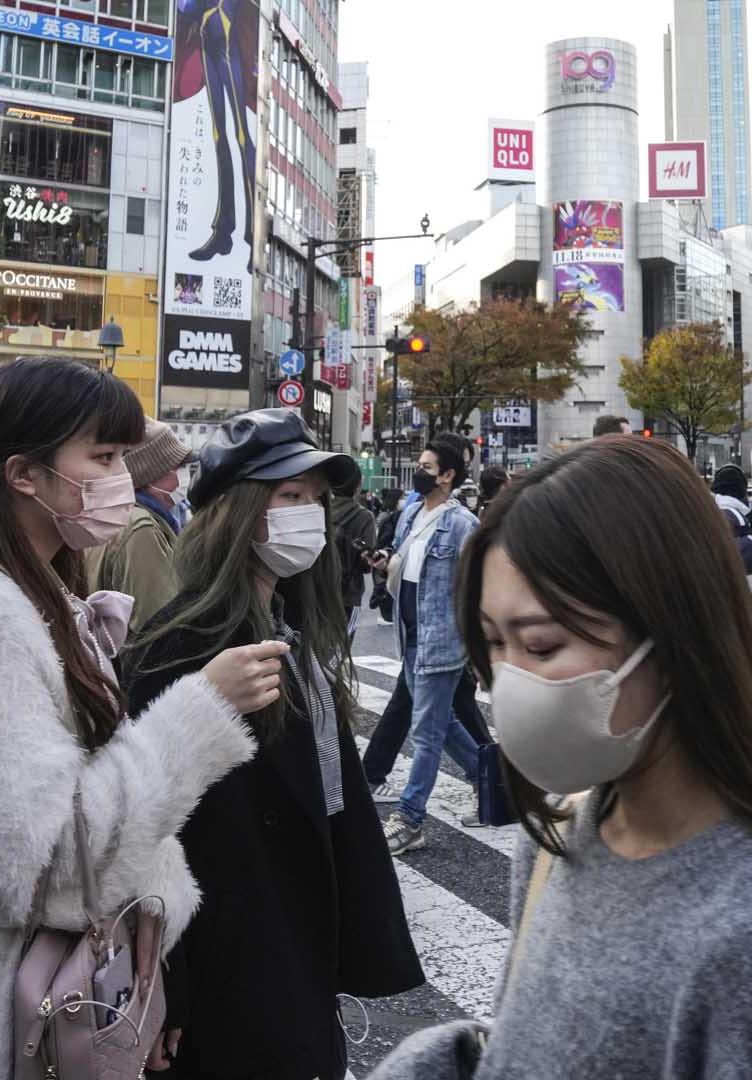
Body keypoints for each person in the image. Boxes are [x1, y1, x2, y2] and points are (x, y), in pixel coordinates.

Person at [0, 356, 278, 1078]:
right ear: (23, 474)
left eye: (123, 457)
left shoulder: (21, 587)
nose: (120, 477)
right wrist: (200, 714)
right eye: (101, 456)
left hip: (9, 1006)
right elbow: (36, 861)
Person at [373, 436, 752, 1079]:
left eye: (540, 644)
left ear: (670, 633)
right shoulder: (558, 835)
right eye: (493, 643)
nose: (507, 681)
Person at [123, 409, 423, 1079]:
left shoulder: (293, 626)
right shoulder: (181, 644)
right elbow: (147, 828)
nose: (308, 514)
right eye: (289, 496)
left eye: (316, 499)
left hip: (292, 945)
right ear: (238, 511)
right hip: (227, 959)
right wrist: (170, 982)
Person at [373, 435, 485, 854]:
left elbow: (476, 587)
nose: (419, 472)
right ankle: (490, 782)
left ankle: (410, 818)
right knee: (442, 723)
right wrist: (385, 561)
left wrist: (475, 644)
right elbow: (404, 562)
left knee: (426, 731)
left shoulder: (461, 525)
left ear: (448, 475)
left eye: (426, 466)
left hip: (442, 640)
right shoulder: (412, 513)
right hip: (411, 636)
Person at [85, 417, 192, 629]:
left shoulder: (115, 516)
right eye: (178, 467)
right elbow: (158, 625)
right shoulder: (141, 529)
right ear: (151, 475)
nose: (185, 475)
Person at [331, 460, 379, 636]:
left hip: (318, 589)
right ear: (357, 487)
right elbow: (366, 563)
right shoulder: (364, 516)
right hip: (348, 593)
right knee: (341, 648)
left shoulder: (320, 509)